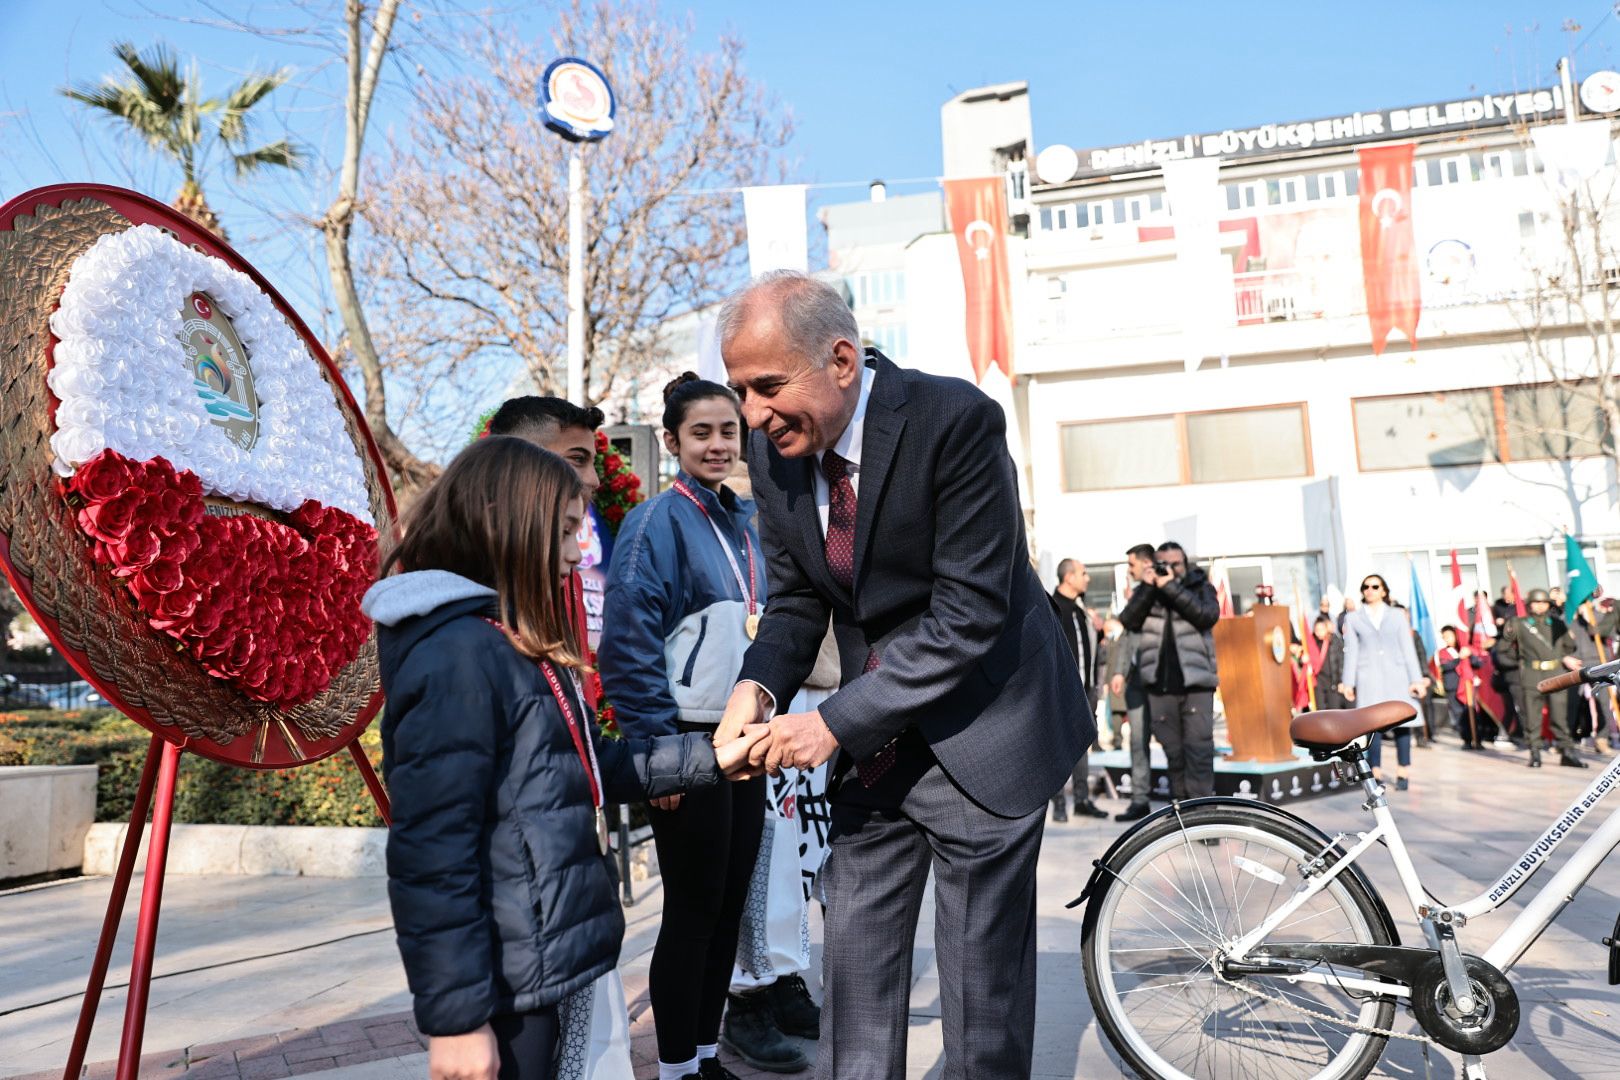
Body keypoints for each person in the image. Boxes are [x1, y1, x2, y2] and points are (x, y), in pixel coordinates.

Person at [712, 270, 1091, 1079]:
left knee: (982, 1004)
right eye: (739, 390)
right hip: (875, 747)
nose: (752, 414)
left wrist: (829, 723)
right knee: (855, 979)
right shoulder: (770, 452)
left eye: (768, 387)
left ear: (841, 360)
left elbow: (968, 615)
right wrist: (756, 689)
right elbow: (792, 606)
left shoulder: (954, 421)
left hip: (986, 730)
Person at [364, 438, 764, 1080]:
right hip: (509, 980)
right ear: (506, 524)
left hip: (545, 955)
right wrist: (458, 1020)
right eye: (566, 532)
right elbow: (432, 855)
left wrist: (713, 759)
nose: (578, 553)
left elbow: (580, 766)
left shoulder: (502, 637)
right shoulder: (458, 656)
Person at [598, 375, 796, 1078]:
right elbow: (627, 644)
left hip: (741, 739)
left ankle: (706, 1055)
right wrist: (657, 750)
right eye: (701, 433)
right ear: (674, 440)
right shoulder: (656, 522)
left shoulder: (744, 521)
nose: (717, 445)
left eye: (727, 432)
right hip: (685, 738)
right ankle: (676, 1066)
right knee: (691, 909)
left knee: (727, 907)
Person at [1118, 541, 1221, 802]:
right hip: (1159, 686)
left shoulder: (1200, 586)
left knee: (1198, 753)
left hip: (1196, 684)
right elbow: (1128, 619)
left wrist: (1171, 587)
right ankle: (1184, 819)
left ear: (1185, 564)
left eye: (1176, 564)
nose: (1170, 569)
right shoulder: (1148, 590)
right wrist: (1150, 588)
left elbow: (1206, 615)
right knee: (1174, 755)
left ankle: (1203, 818)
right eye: (1164, 564)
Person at [1338, 574, 1427, 790]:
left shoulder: (1397, 615)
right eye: (1365, 586)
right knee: (1372, 726)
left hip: (1398, 674)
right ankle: (1375, 772)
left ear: (1383, 591)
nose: (1370, 590)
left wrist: (1416, 679)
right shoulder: (1353, 618)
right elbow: (1352, 652)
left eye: (1375, 586)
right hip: (1368, 677)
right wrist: (1348, 682)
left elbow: (1408, 648)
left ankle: (1403, 771)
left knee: (1402, 723)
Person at [1049, 559, 1108, 821]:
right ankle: (1059, 803)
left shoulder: (1081, 610)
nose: (1088, 578)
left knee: (1082, 744)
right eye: (1084, 573)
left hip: (1085, 691)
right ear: (1069, 577)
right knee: (1056, 747)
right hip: (1058, 691)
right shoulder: (1051, 607)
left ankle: (1082, 800)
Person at [1499, 588, 1584, 769]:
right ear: (1529, 604)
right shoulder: (1518, 623)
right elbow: (1502, 649)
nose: (1540, 606)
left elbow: (1569, 646)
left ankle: (1566, 752)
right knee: (1533, 717)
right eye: (1536, 602)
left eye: (1543, 602)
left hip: (1555, 674)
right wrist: (1518, 661)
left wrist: (1562, 655)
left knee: (1560, 717)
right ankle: (1535, 752)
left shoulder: (1557, 624)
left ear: (1548, 605)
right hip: (1532, 675)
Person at [1110, 543, 1157, 821]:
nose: (1129, 570)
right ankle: (1140, 800)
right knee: (1137, 741)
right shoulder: (1138, 594)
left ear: (1146, 562)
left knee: (1174, 744)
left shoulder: (1163, 589)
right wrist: (1118, 671)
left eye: (1131, 565)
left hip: (1161, 680)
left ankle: (1185, 803)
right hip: (1137, 681)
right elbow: (1126, 635)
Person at [1569, 597, 1619, 755]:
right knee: (1571, 703)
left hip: (1598, 664)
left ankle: (1602, 739)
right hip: (1574, 665)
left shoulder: (1600, 617)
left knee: (1603, 702)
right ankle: (1565, 741)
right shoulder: (1570, 622)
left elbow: (1603, 632)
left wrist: (1589, 618)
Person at [1435, 625, 1484, 748]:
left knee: (1472, 712)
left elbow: (1478, 663)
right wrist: (1459, 659)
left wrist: (1470, 656)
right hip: (1452, 687)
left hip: (1466, 686)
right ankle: (1466, 740)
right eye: (1444, 637)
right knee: (1458, 715)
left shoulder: (1465, 649)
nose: (1447, 639)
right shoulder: (1443, 652)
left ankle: (1477, 738)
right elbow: (1445, 666)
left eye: (1449, 636)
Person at [1312, 613, 1347, 711]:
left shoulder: (1334, 640)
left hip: (1333, 682)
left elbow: (1341, 662)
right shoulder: (1312, 642)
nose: (1318, 632)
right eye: (1316, 630)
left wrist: (1341, 681)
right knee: (1320, 710)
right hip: (1319, 681)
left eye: (1321, 629)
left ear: (1326, 628)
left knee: (1334, 710)